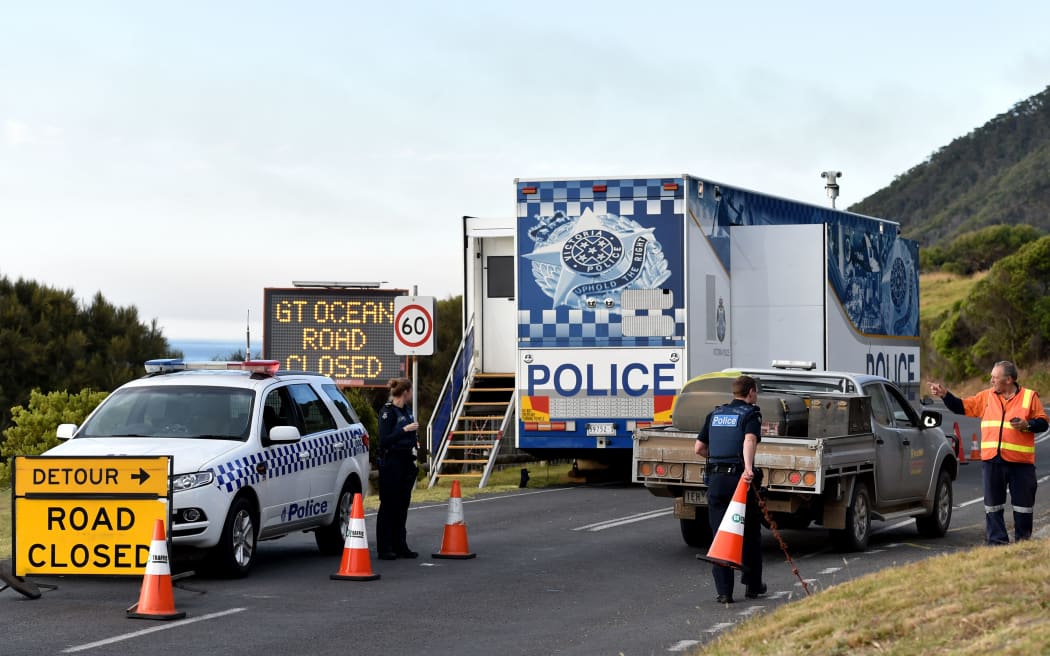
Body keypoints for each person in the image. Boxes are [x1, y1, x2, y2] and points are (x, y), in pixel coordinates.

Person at [929, 361, 1047, 545]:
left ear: (1008, 379)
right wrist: (945, 395)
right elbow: (962, 406)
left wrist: (1027, 425)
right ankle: (996, 544)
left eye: (995, 378)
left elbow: (1044, 423)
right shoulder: (986, 397)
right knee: (993, 507)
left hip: (1021, 464)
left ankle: (1023, 543)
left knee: (1023, 507)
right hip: (993, 461)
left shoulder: (1029, 397)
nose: (991, 381)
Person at [694, 375, 766, 603]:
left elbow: (698, 448)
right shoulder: (751, 414)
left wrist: (716, 459)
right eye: (756, 392)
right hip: (739, 480)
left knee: (721, 535)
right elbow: (749, 440)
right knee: (750, 533)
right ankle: (753, 585)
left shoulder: (714, 414)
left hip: (716, 479)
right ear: (751, 392)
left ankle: (724, 592)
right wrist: (747, 468)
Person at [375, 377, 420, 560]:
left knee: (402, 505)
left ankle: (400, 545)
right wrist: (405, 430)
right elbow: (384, 440)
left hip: (405, 460)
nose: (412, 394)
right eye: (411, 391)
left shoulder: (407, 410)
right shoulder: (388, 413)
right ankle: (385, 547)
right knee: (389, 505)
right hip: (391, 461)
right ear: (405, 392)